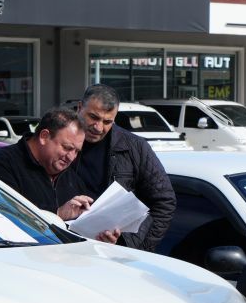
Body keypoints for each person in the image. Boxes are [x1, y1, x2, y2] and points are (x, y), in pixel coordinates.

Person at [73, 84, 175, 250]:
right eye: (93, 117)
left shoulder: (135, 147)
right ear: (79, 108)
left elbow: (164, 202)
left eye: (107, 122)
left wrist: (133, 246)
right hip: (61, 246)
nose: (98, 127)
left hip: (114, 252)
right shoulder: (58, 139)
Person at [0, 106, 94, 222]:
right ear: (44, 137)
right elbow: (0, 220)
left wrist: (97, 233)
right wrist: (57, 215)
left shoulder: (72, 177)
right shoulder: (1, 164)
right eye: (67, 148)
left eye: (76, 151)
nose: (71, 157)